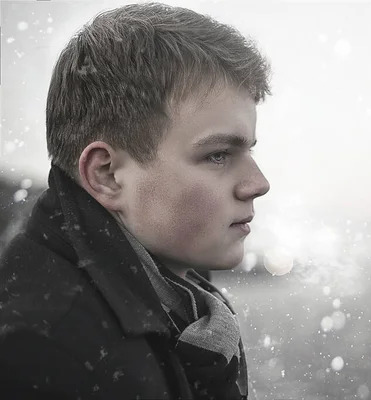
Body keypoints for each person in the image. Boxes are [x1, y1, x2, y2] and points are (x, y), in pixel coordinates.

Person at [0, 2, 271, 399]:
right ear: (106, 175)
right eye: (217, 155)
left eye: (248, 150)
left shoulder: (173, 299)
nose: (257, 183)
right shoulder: (46, 351)